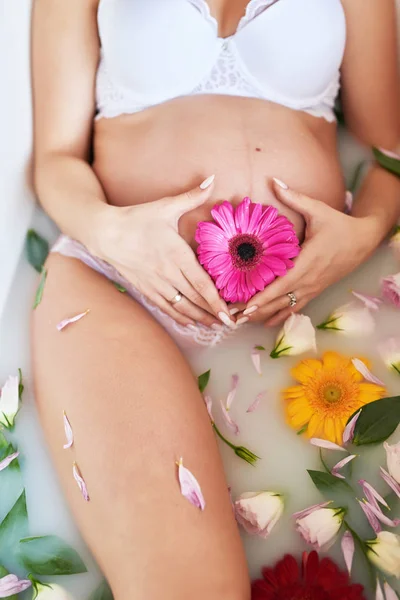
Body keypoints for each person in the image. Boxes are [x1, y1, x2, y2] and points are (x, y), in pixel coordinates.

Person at [31, 1, 400, 598]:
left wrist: (362, 235)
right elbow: (54, 161)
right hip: (118, 284)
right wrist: (110, 233)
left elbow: (391, 156)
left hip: (318, 305)